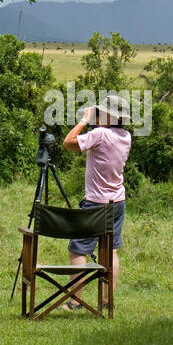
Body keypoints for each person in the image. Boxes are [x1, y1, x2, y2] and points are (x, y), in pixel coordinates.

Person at [61, 94, 131, 309]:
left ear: (110, 116)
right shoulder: (126, 136)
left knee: (78, 250)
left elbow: (68, 143)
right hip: (117, 201)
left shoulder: (100, 133)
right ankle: (107, 301)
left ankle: (75, 300)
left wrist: (83, 120)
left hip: (96, 202)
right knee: (110, 250)